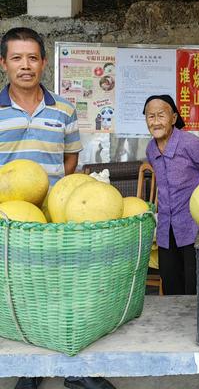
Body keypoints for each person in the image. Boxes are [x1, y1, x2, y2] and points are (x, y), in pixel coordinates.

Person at [0, 27, 116, 389]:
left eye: (32, 58)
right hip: (10, 220)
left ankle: (76, 372)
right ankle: (31, 372)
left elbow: (71, 160)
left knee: (65, 294)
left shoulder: (63, 109)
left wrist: (52, 196)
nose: (25, 65)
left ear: (44, 63)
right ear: (3, 63)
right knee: (22, 296)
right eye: (16, 58)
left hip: (54, 217)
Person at [144, 94, 199, 295]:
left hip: (194, 228)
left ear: (174, 118)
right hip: (167, 229)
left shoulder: (190, 144)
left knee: (195, 288)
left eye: (161, 115)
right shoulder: (150, 148)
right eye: (150, 116)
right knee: (170, 285)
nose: (156, 121)